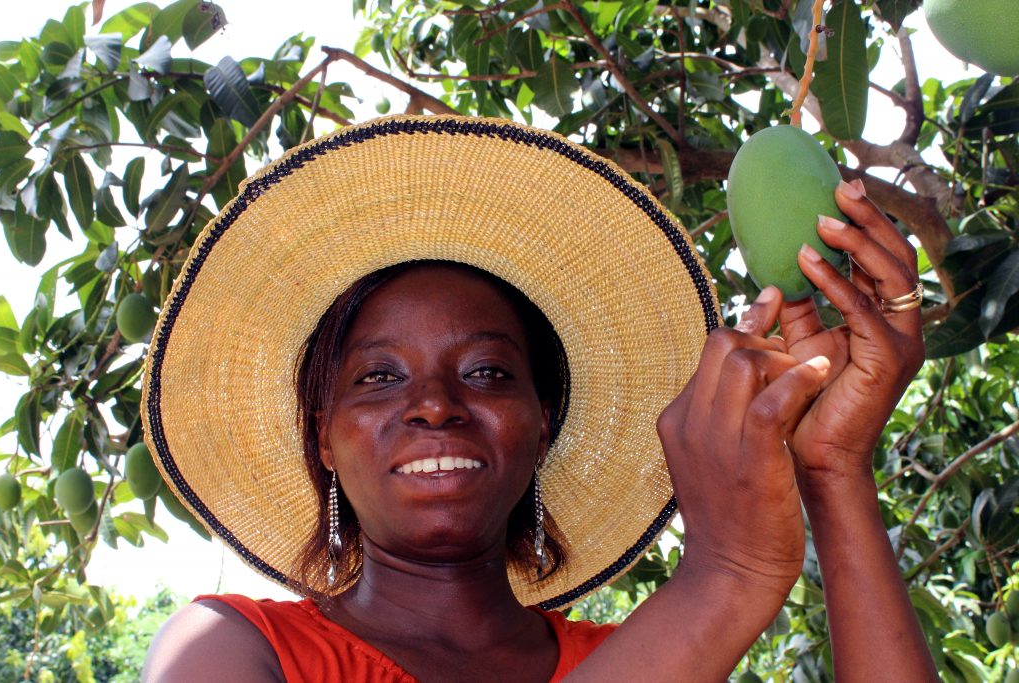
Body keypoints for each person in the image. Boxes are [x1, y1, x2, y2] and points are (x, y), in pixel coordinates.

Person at [141, 115, 937, 681]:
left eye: (487, 371)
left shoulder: (640, 658)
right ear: (322, 436)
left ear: (542, 422)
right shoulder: (226, 651)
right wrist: (723, 577)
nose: (434, 405)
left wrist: (832, 468)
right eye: (379, 376)